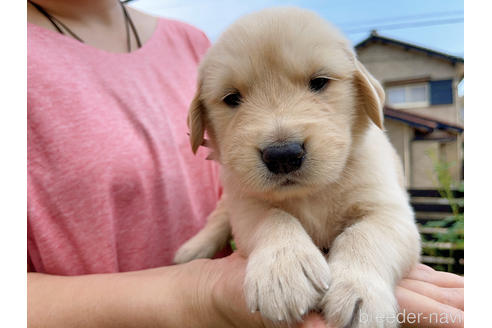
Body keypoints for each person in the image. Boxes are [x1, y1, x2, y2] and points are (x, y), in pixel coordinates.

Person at [27, 1, 464, 327]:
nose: (280, 139)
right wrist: (207, 290)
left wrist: (366, 264)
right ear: (201, 124)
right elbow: (243, 203)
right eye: (233, 100)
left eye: (318, 83)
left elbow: (389, 221)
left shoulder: (192, 43)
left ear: (364, 90)